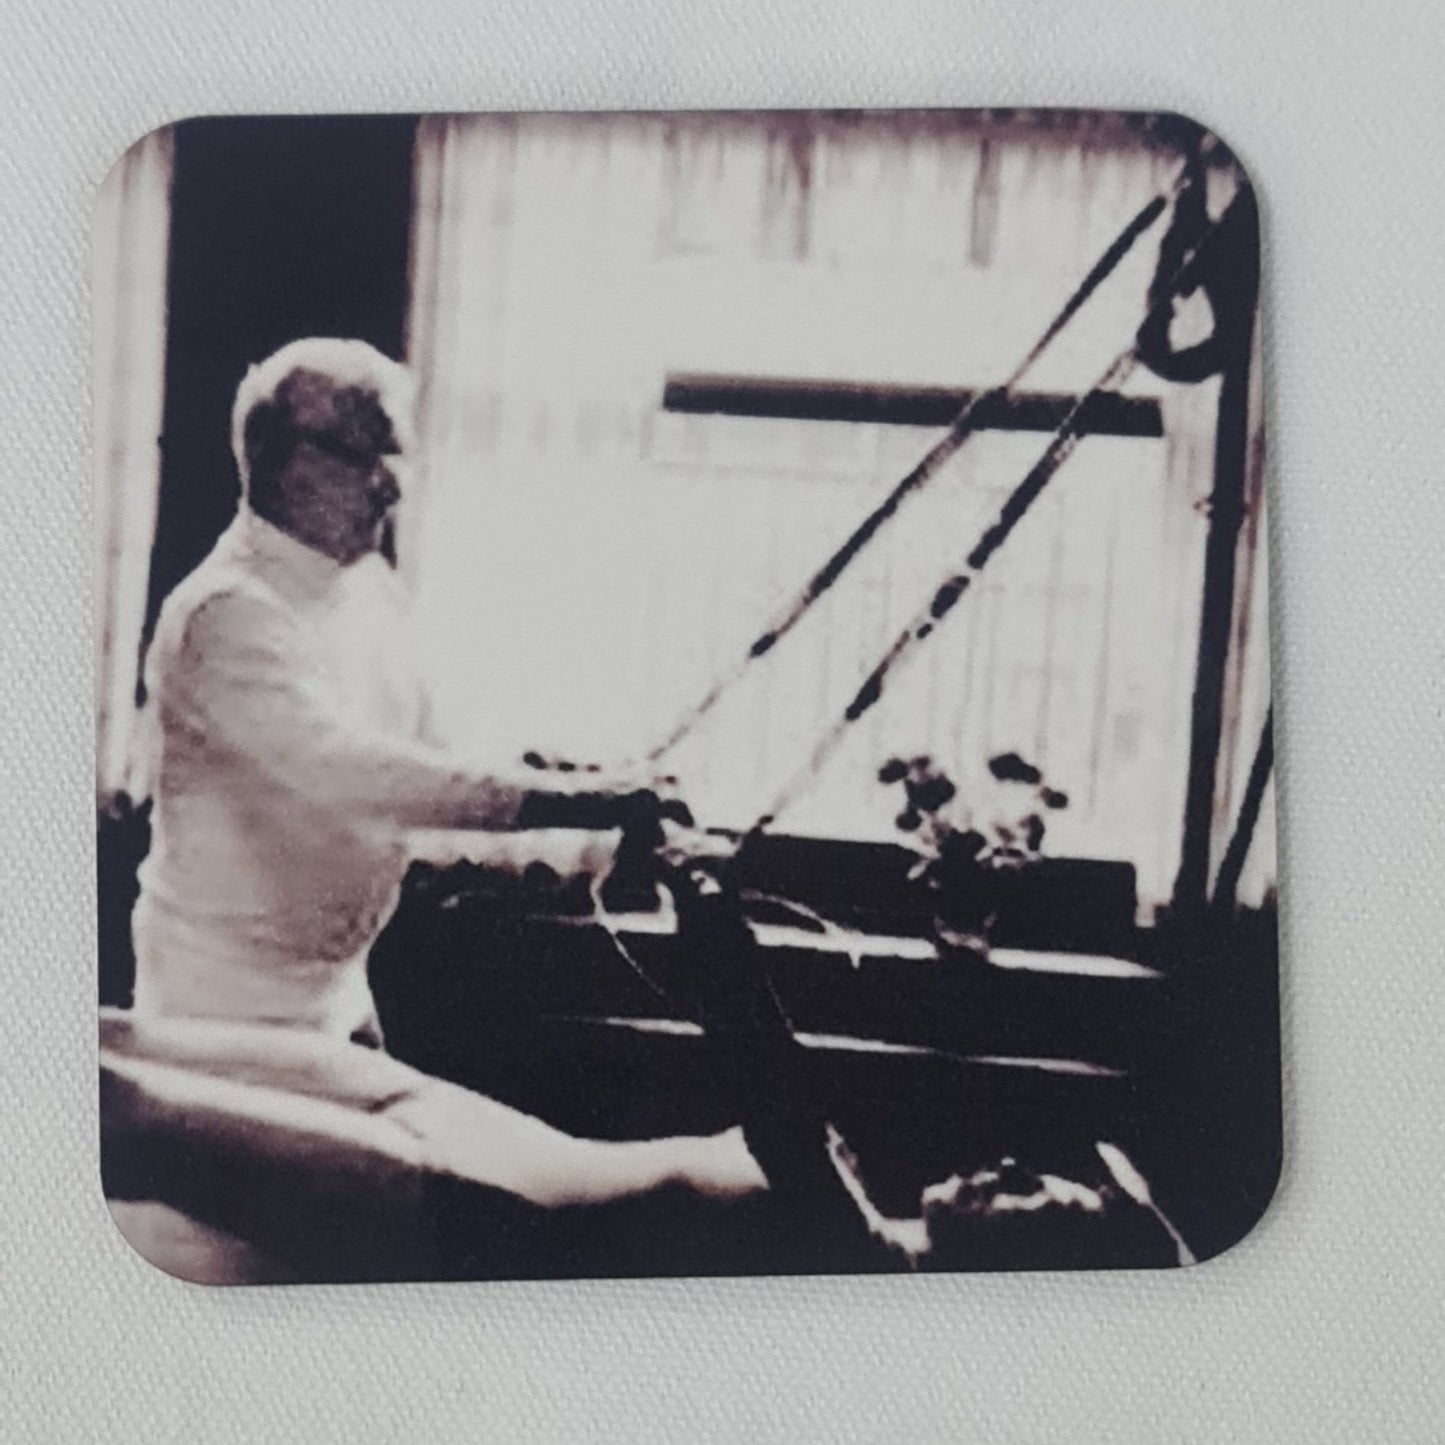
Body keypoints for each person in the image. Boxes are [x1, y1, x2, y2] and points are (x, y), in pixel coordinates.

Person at [122, 337, 770, 1243]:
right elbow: (364, 779)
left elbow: (441, 771)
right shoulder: (224, 614)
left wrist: (588, 822)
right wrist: (581, 802)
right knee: (236, 1261)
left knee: (354, 1255)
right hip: (220, 1008)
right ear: (274, 458)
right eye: (361, 452)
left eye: (399, 452)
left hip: (340, 999)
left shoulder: (369, 597)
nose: (391, 482)